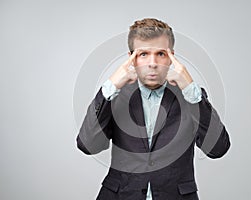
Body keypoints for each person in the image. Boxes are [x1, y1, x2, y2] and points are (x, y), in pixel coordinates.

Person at [76, 18, 230, 200]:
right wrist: (110, 86)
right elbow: (88, 145)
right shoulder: (116, 97)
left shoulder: (190, 97)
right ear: (131, 59)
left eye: (161, 54)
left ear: (172, 57)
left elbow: (218, 149)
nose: (152, 63)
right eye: (143, 54)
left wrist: (190, 90)